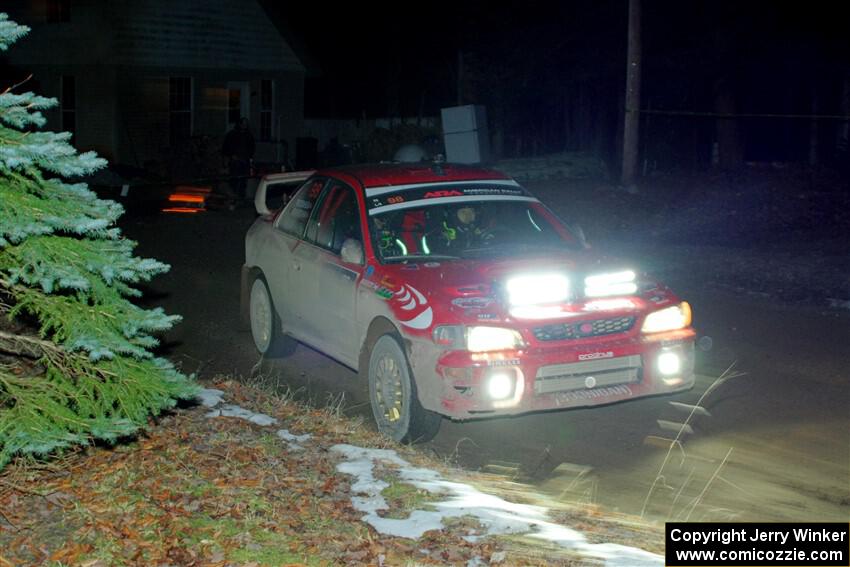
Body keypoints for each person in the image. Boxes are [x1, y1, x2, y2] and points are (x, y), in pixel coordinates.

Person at [221, 117, 255, 203]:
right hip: (235, 161)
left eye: (246, 124)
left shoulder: (248, 135)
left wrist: (249, 157)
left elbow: (252, 148)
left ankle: (241, 198)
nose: (244, 125)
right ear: (239, 124)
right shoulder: (232, 135)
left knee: (243, 181)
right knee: (234, 180)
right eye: (243, 123)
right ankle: (233, 199)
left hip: (244, 161)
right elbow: (226, 147)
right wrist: (231, 155)